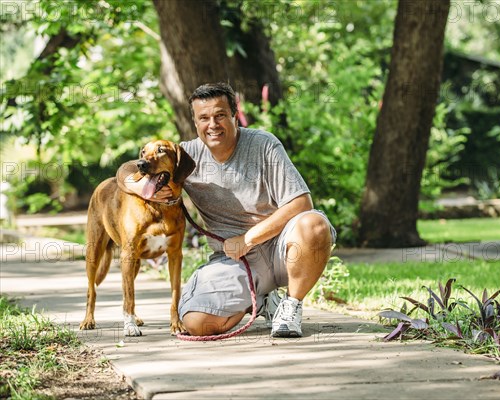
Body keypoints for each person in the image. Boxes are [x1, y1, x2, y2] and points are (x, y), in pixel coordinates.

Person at [117, 82, 336, 338]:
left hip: (281, 249)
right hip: (234, 261)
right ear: (195, 122)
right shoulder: (183, 158)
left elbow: (301, 203)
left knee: (314, 225)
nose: (213, 124)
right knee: (196, 324)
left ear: (234, 114)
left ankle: (291, 307)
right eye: (204, 118)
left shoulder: (264, 145)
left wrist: (247, 239)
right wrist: (139, 186)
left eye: (220, 115)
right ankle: (262, 300)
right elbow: (125, 171)